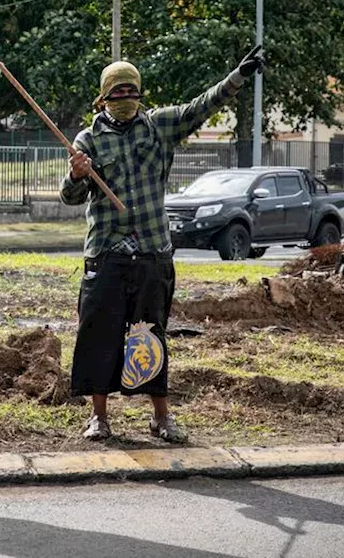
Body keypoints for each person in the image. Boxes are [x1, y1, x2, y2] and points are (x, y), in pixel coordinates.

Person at [61, 46, 265, 443]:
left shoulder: (159, 126)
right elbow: (70, 197)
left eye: (130, 93)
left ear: (140, 95)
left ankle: (160, 417)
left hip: (153, 252)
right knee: (98, 335)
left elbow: (200, 107)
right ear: (103, 99)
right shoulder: (88, 139)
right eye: (116, 95)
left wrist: (237, 77)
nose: (124, 101)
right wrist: (76, 174)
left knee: (150, 335)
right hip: (106, 253)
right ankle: (99, 418)